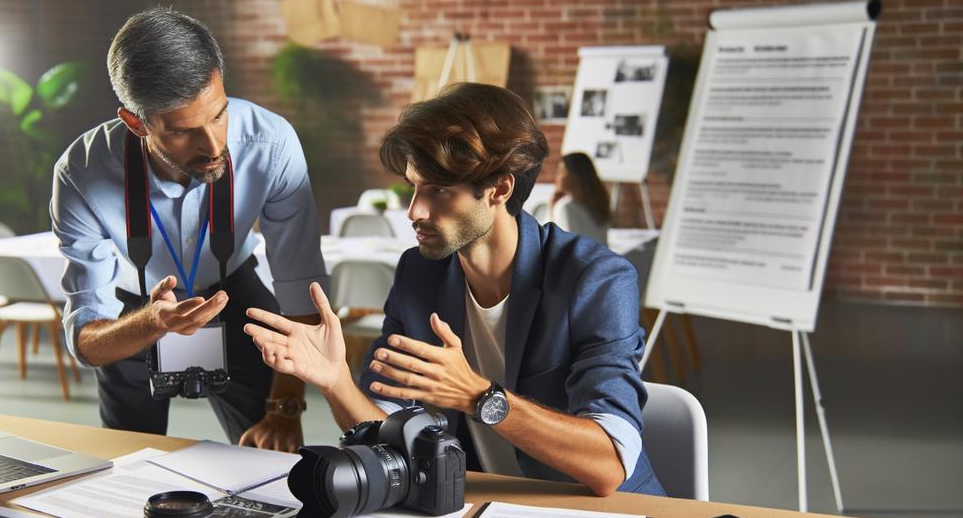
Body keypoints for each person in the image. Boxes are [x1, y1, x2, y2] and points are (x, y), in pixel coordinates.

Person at [244, 83, 663, 496]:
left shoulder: (596, 280)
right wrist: (336, 382)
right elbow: (382, 430)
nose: (415, 211)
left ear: (499, 189)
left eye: (439, 190)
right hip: (478, 509)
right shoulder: (419, 272)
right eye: (414, 187)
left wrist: (479, 396)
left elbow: (611, 464)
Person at [51, 8, 327, 451]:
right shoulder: (82, 171)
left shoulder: (271, 144)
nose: (215, 146)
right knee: (126, 463)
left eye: (218, 115)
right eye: (183, 132)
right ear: (136, 123)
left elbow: (301, 284)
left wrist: (285, 407)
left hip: (234, 293)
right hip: (135, 310)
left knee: (274, 460)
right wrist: (152, 323)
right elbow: (87, 341)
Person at [550, 151, 611, 244]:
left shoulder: (566, 207)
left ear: (574, 176)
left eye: (562, 171)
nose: (557, 176)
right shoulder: (599, 203)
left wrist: (552, 211)